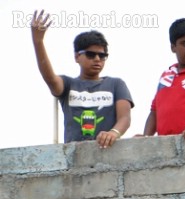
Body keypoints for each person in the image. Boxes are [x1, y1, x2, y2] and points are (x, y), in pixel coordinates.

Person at [29, 11, 132, 147]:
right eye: (90, 54)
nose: (97, 59)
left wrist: (113, 133)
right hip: (74, 157)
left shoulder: (116, 84)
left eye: (102, 56)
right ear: (77, 56)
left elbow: (125, 117)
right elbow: (51, 79)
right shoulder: (68, 84)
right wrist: (38, 42)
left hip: (108, 155)